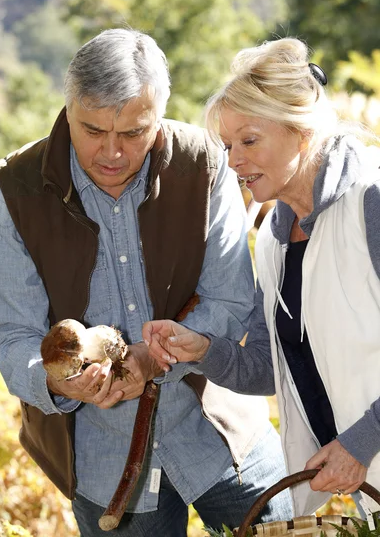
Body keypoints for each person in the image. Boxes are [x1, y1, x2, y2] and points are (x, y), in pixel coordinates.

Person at [0, 29, 292, 537]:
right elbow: (10, 333)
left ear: (159, 114)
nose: (112, 153)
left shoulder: (206, 163)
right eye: (93, 130)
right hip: (102, 463)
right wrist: (59, 380)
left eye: (132, 133)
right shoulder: (7, 192)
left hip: (222, 430)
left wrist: (153, 357)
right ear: (68, 108)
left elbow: (230, 299)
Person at [143, 37, 380, 518]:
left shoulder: (370, 203)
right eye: (229, 146)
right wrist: (205, 352)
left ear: (302, 131)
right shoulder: (273, 240)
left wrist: (361, 442)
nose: (233, 160)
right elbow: (275, 369)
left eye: (249, 140)